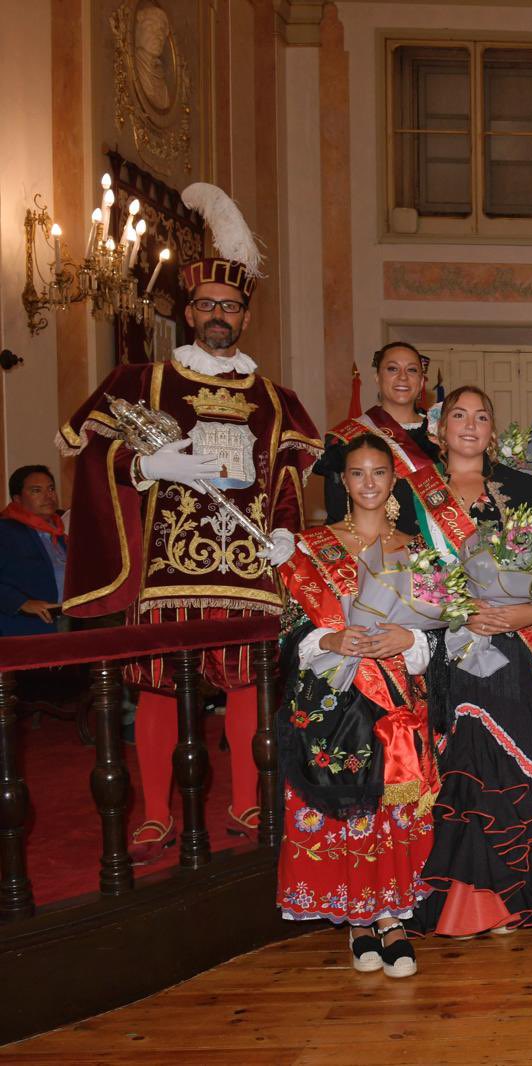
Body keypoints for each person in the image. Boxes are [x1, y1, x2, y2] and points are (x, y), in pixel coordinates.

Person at [57, 183, 319, 862]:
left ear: (245, 316)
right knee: (156, 689)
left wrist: (287, 530)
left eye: (230, 307)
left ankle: (245, 800)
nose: (218, 317)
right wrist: (150, 471)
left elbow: (287, 475)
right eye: (207, 306)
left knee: (246, 688)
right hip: (168, 568)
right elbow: (88, 448)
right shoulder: (140, 381)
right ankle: (152, 813)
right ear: (189, 312)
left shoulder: (274, 397)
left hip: (249, 570)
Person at [412, 386, 532, 935]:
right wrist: (456, 613)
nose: (470, 425)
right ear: (438, 429)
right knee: (461, 766)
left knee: (513, 764)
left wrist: (528, 612)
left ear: (495, 431)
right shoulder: (409, 493)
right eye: (458, 416)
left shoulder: (524, 491)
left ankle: (517, 897)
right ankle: (462, 903)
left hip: (514, 647)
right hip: (446, 647)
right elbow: (404, 571)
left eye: (482, 416)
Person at [275, 434, 439, 979]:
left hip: (396, 699)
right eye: (357, 473)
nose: (369, 483)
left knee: (388, 810)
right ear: (342, 481)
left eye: (379, 473)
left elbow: (440, 637)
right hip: (335, 701)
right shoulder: (310, 547)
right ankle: (357, 922)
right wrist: (330, 641)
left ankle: (392, 916)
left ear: (395, 481)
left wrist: (407, 642)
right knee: (348, 807)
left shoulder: (417, 550)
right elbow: (290, 632)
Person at [318, 342, 438, 535]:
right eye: (392, 369)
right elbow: (337, 509)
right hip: (368, 550)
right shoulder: (347, 437)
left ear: (422, 381)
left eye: (412, 370)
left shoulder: (443, 434)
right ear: (377, 378)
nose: (403, 377)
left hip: (435, 555)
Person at [0, 466, 67, 637]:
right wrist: (22, 603)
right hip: (22, 630)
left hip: (66, 625)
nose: (48, 496)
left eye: (51, 488)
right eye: (36, 490)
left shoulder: (61, 535)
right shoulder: (5, 531)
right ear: (17, 499)